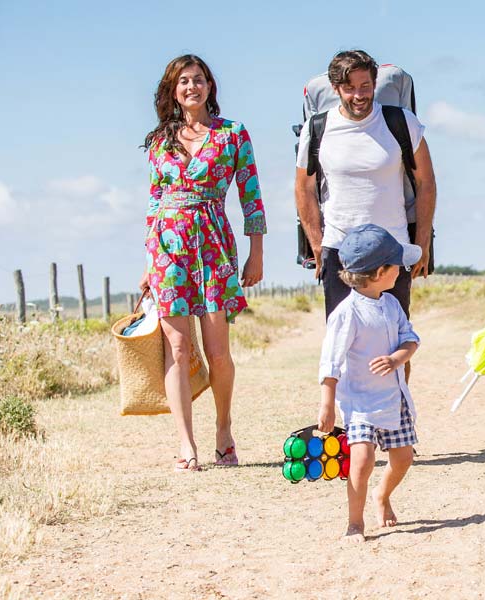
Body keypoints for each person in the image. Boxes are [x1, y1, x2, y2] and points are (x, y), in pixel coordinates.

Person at [139, 54, 266, 472]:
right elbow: (155, 202)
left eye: (198, 80)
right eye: (183, 82)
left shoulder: (232, 134)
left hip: (212, 243)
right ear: (173, 91)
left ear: (210, 86)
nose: (191, 87)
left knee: (218, 353)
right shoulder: (161, 140)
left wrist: (256, 252)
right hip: (167, 250)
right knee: (176, 348)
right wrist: (147, 261)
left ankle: (224, 431)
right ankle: (185, 444)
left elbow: (251, 196)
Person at [294, 49, 437, 340]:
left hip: (392, 248)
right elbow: (303, 188)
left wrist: (421, 242)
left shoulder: (402, 122)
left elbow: (426, 182)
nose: (358, 95)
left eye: (365, 87)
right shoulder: (317, 128)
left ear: (374, 84)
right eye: (349, 88)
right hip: (339, 249)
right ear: (336, 89)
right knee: (343, 341)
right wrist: (318, 246)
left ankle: (397, 389)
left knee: (396, 340)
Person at [317, 224, 423, 541]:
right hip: (360, 403)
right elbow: (331, 361)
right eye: (397, 266)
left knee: (403, 459)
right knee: (361, 462)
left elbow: (410, 339)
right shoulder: (347, 313)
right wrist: (327, 403)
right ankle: (355, 523)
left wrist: (396, 359)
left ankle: (382, 494)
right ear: (380, 272)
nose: (402, 271)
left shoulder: (391, 305)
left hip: (393, 398)